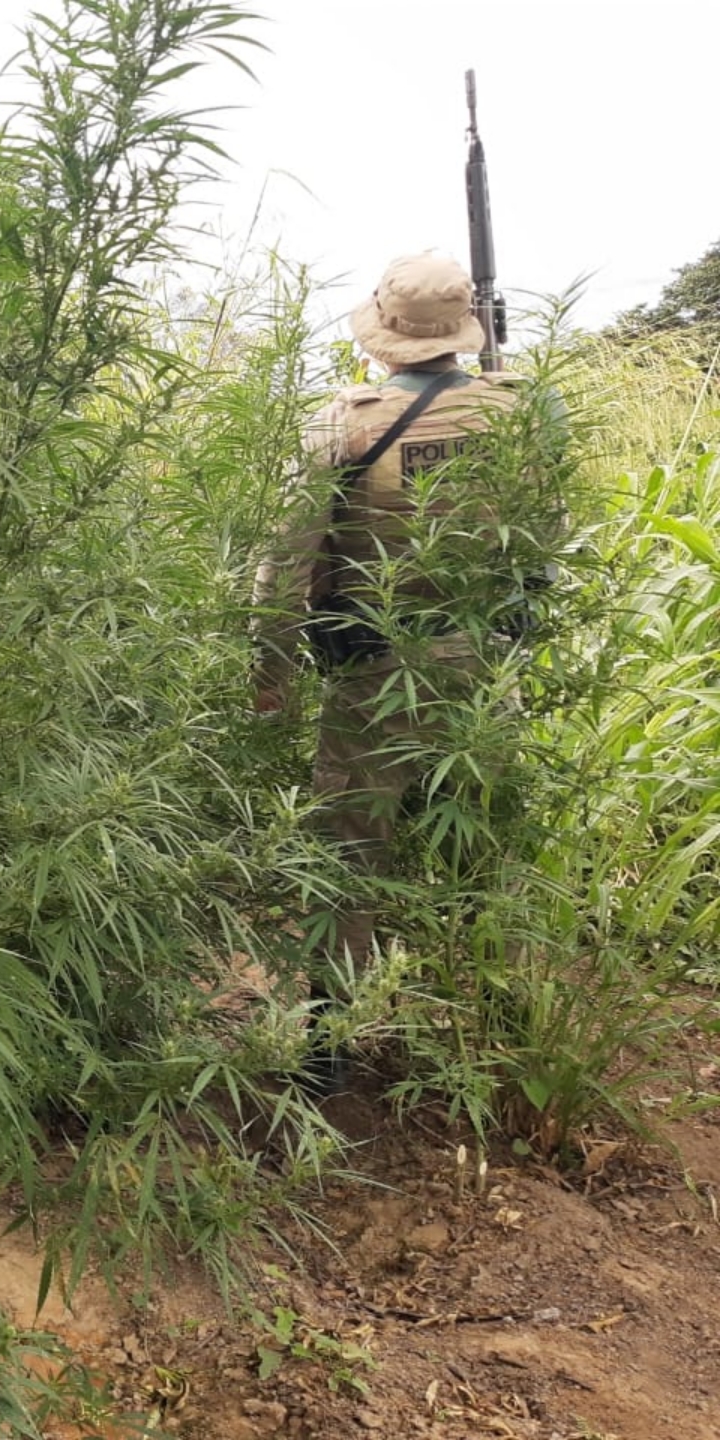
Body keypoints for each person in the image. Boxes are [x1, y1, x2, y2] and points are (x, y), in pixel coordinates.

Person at [251, 252, 564, 1030]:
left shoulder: (347, 421)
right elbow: (548, 537)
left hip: (373, 669)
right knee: (486, 840)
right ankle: (507, 1011)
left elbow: (285, 564)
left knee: (352, 847)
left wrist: (272, 672)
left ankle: (330, 1038)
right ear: (463, 331)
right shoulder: (517, 413)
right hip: (481, 663)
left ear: (382, 330)